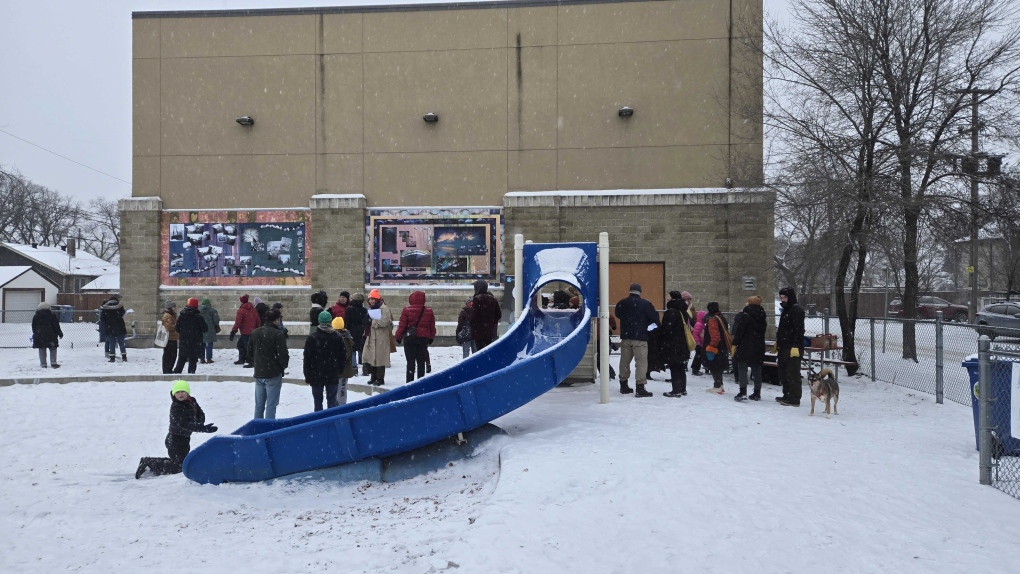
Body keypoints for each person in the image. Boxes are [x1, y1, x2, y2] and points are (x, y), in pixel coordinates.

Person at [135, 380, 217, 479]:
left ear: (188, 392)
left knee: (181, 462)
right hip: (175, 439)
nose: (180, 394)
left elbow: (200, 414)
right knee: (178, 467)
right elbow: (184, 424)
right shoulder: (176, 406)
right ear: (174, 394)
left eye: (183, 391)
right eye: (177, 392)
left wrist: (200, 423)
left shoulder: (192, 401)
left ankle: (150, 461)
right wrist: (202, 428)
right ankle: (149, 462)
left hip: (185, 438)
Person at [613, 283, 660, 397]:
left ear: (630, 291)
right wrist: (647, 328)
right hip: (640, 337)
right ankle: (640, 387)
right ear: (640, 292)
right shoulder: (646, 304)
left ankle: (623, 385)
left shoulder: (622, 303)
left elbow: (618, 314)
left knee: (624, 361)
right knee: (641, 363)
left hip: (626, 336)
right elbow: (655, 320)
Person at [248, 308, 290, 419]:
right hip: (273, 373)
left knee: (259, 406)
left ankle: (257, 429)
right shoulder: (277, 334)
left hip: (259, 372)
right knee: (271, 405)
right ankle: (268, 429)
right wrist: (281, 366)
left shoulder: (255, 332)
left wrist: (258, 363)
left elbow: (249, 353)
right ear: (276, 320)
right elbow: (283, 355)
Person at [303, 310, 346, 411]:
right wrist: (339, 371)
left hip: (316, 374)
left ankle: (318, 421)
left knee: (317, 402)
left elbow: (307, 358)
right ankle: (330, 422)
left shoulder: (312, 338)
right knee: (332, 401)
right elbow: (342, 357)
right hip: (332, 373)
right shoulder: (338, 337)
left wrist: (307, 374)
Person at [395, 290, 437, 383]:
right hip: (423, 338)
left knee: (410, 362)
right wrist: (431, 337)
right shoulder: (429, 311)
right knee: (421, 362)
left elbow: (402, 325)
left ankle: (409, 383)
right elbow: (432, 326)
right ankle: (420, 383)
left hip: (410, 338)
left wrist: (398, 336)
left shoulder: (407, 310)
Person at [732, 295, 768, 401]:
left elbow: (740, 331)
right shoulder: (762, 315)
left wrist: (735, 343)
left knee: (742, 368)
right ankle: (757, 392)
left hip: (745, 345)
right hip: (758, 345)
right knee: (756, 369)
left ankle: (743, 391)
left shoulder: (745, 315)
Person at [776, 287, 806, 406]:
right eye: (781, 297)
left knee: (792, 373)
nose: (783, 300)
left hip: (793, 347)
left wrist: (795, 346)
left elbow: (799, 330)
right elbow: (784, 329)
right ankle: (786, 394)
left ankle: (794, 398)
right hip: (783, 346)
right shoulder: (786, 310)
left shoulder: (796, 310)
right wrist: (778, 342)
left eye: (785, 297)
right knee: (783, 372)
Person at [659, 296, 691, 397]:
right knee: (681, 366)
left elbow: (666, 329)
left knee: (674, 367)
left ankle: (676, 390)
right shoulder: (683, 313)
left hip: (673, 344)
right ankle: (682, 388)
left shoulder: (671, 313)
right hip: (683, 344)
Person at [362, 289, 393, 385]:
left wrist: (372, 322)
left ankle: (380, 378)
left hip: (381, 336)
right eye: (370, 299)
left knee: (379, 358)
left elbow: (384, 322)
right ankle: (373, 376)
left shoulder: (384, 308)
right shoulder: (371, 308)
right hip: (371, 336)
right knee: (371, 357)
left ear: (377, 299)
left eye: (373, 299)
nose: (371, 301)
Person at [703, 301, 732, 394]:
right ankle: (720, 385)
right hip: (722, 346)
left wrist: (711, 346)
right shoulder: (721, 317)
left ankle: (717, 386)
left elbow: (715, 335)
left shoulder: (712, 319)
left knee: (714, 366)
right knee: (719, 366)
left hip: (715, 346)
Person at [174, 298, 208, 374]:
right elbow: (205, 329)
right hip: (195, 342)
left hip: (184, 341)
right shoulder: (198, 317)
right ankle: (191, 375)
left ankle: (176, 374)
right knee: (193, 359)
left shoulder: (182, 316)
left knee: (182, 359)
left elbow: (177, 329)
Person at [229, 294, 260, 367]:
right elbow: (258, 320)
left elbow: (238, 323)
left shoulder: (241, 310)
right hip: (252, 331)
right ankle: (243, 359)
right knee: (242, 345)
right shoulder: (253, 309)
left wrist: (233, 332)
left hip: (245, 332)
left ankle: (250, 361)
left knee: (246, 346)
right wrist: (257, 329)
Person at [470, 279, 501, 350]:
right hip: (490, 331)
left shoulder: (477, 299)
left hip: (478, 332)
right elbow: (498, 314)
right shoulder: (493, 299)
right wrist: (491, 322)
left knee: (479, 350)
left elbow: (474, 316)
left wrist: (473, 326)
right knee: (489, 350)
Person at [333, 316, 357, 405]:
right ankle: (338, 403)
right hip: (341, 369)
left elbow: (345, 354)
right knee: (339, 388)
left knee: (341, 389)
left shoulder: (343, 339)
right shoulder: (344, 337)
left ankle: (341, 406)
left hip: (343, 369)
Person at [32, 302, 63, 369]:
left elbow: (33, 326)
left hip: (40, 335)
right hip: (51, 335)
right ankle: (53, 363)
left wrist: (36, 333)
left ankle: (43, 364)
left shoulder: (36, 316)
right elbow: (56, 326)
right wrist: (59, 333)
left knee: (42, 348)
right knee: (53, 348)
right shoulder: (52, 316)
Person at [345, 293, 370, 374]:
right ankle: (365, 368)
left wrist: (346, 329)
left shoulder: (349, 309)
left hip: (352, 332)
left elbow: (347, 322)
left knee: (352, 351)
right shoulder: (364, 310)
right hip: (362, 332)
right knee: (361, 350)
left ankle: (354, 368)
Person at [100, 296, 128, 362]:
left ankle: (112, 358)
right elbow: (122, 314)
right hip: (120, 327)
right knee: (121, 343)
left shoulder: (105, 308)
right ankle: (124, 357)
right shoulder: (120, 307)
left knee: (111, 343)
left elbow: (102, 319)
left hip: (110, 327)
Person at [198, 298, 221, 363]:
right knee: (209, 344)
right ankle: (209, 358)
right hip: (210, 329)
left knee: (202, 344)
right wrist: (216, 325)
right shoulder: (212, 310)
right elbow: (216, 320)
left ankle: (202, 358)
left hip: (201, 329)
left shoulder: (198, 311)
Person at [160, 301, 180, 374]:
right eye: (173, 307)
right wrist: (176, 326)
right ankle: (167, 370)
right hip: (169, 339)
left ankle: (169, 369)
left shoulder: (172, 315)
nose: (175, 308)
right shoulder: (167, 316)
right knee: (169, 355)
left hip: (172, 338)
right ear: (170, 308)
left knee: (172, 355)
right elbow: (168, 327)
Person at [691, 310, 708, 376]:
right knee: (698, 357)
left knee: (700, 356)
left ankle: (696, 368)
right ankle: (695, 369)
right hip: (699, 344)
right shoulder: (699, 324)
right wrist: (697, 343)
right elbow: (695, 334)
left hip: (701, 343)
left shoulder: (701, 324)